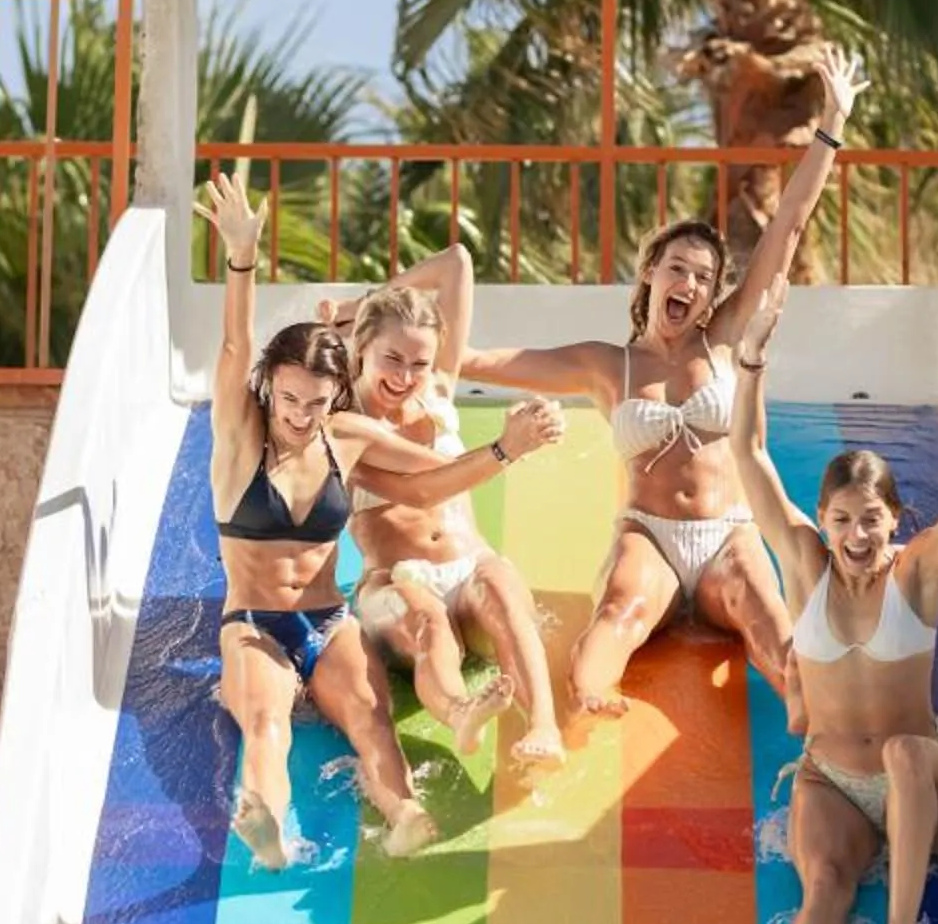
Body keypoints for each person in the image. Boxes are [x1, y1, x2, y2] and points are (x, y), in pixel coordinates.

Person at [460, 47, 869, 719]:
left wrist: (831, 123)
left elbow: (789, 226)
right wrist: (379, 333)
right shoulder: (605, 364)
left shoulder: (724, 338)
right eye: (678, 268)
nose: (690, 284)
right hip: (648, 533)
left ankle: (821, 725)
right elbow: (483, 361)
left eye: (705, 278)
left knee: (769, 622)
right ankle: (588, 700)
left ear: (712, 297)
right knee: (619, 611)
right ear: (651, 272)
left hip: (727, 534)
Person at [207, 173, 563, 867]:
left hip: (328, 619)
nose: (302, 416)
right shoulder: (239, 440)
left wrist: (501, 449)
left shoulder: (346, 436)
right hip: (254, 623)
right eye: (290, 400)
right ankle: (269, 824)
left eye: (317, 403)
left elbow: (428, 482)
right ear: (268, 387)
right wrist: (242, 259)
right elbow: (231, 345)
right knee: (265, 720)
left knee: (373, 722)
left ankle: (403, 814)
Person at [729, 289, 938, 924]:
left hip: (924, 786)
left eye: (871, 519)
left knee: (901, 751)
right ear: (821, 522)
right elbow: (749, 454)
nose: (857, 534)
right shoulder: (802, 565)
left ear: (894, 519)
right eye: (841, 520)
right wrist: (752, 360)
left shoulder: (915, 574)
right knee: (824, 881)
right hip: (834, 777)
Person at [314, 245, 567, 767]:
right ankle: (460, 712)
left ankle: (543, 724)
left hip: (470, 565)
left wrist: (361, 304)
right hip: (397, 580)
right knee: (427, 618)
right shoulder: (342, 423)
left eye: (419, 363)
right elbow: (422, 489)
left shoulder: (439, 391)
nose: (406, 376)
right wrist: (507, 447)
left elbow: (456, 262)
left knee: (501, 589)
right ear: (362, 350)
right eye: (393, 359)